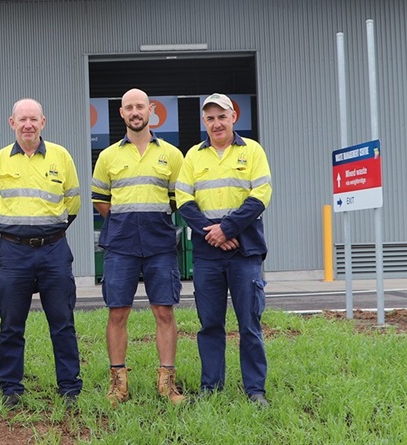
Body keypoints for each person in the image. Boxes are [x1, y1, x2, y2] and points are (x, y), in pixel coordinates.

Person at [174, 93, 273, 407]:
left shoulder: (253, 151)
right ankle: (211, 387)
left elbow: (261, 196)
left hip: (244, 252)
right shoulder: (193, 156)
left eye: (222, 116)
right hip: (207, 254)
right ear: (205, 122)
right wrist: (212, 233)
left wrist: (228, 229)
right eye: (210, 118)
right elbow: (183, 201)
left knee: (249, 324)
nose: (216, 123)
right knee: (210, 324)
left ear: (234, 117)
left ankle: (255, 390)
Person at [91, 89, 186, 406]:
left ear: (151, 110)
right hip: (120, 245)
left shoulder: (172, 155)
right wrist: (127, 222)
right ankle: (118, 384)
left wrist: (148, 219)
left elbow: (177, 199)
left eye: (140, 106)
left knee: (164, 311)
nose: (135, 111)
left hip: (159, 244)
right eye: (129, 107)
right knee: (117, 313)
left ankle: (167, 384)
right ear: (121, 113)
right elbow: (101, 201)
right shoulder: (107, 157)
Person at [0, 98, 82, 408]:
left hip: (54, 250)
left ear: (43, 122)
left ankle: (69, 387)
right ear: (11, 123)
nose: (28, 124)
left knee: (63, 321)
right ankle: (11, 388)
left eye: (33, 119)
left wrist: (48, 231)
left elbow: (73, 204)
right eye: (22, 119)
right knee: (12, 324)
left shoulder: (61, 156)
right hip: (14, 253)